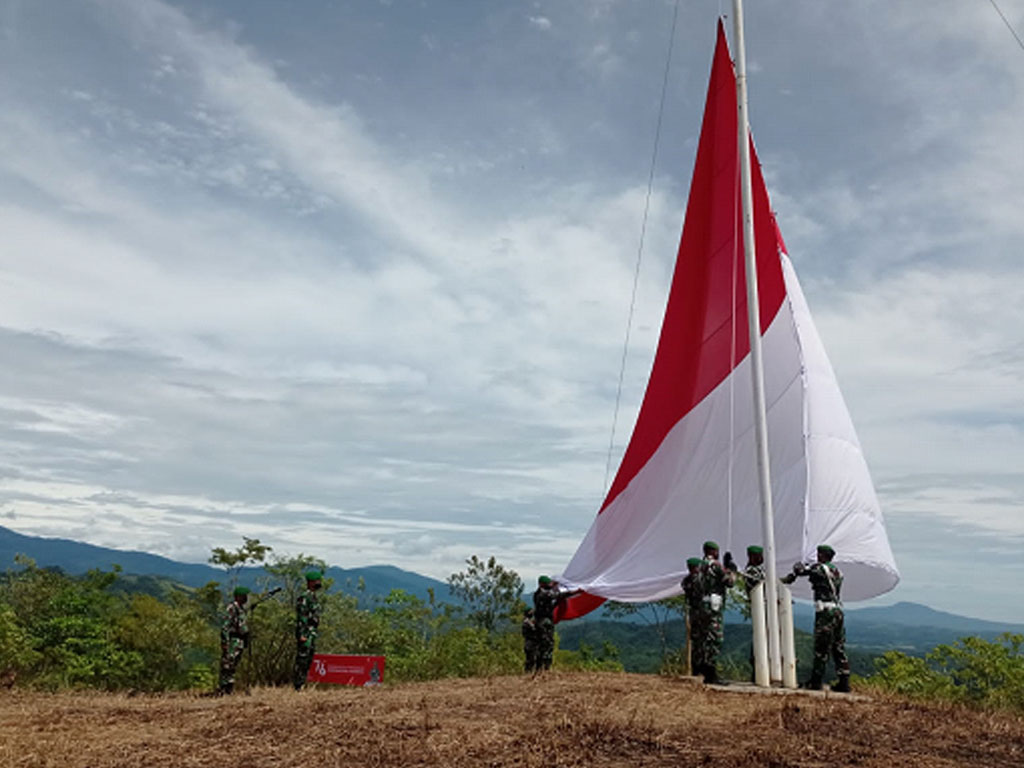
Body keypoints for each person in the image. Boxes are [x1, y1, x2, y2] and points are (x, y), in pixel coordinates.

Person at [782, 544, 850, 692]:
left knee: (821, 647)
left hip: (825, 612)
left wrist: (798, 567)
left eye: (819, 554)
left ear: (822, 555)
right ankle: (844, 681)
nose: (817, 557)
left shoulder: (820, 569)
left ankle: (816, 681)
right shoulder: (837, 571)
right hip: (838, 611)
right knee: (838, 647)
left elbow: (801, 571)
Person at [696, 540, 735, 684]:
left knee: (705, 637)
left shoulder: (700, 565)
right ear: (712, 551)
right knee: (715, 638)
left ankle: (704, 668)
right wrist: (731, 569)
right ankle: (710, 672)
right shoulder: (715, 565)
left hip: (703, 605)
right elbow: (730, 582)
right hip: (714, 605)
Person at [531, 576, 579, 672]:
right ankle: (544, 668)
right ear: (542, 584)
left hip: (542, 621)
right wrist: (577, 591)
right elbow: (560, 595)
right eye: (548, 584)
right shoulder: (544, 594)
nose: (550, 585)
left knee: (543, 644)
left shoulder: (539, 594)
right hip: (544, 622)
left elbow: (553, 602)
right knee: (547, 644)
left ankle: (540, 668)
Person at [293, 569, 323, 690]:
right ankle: (298, 685)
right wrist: (301, 635)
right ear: (310, 582)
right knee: (302, 659)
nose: (319, 583)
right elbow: (302, 617)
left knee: (308, 659)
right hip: (305, 633)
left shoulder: (313, 597)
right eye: (317, 581)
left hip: (312, 632)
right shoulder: (305, 597)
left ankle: (302, 683)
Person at [218, 586, 250, 695]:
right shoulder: (232, 608)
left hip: (239, 642)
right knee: (227, 665)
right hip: (232, 641)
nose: (246, 598)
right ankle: (223, 688)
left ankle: (229, 689)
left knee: (233, 665)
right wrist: (225, 642)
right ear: (238, 597)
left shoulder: (241, 609)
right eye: (243, 596)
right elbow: (225, 627)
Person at [740, 545, 765, 681]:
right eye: (759, 556)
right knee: (759, 639)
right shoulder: (751, 572)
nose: (762, 558)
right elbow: (762, 585)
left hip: (764, 608)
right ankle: (757, 670)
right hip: (759, 608)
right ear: (752, 557)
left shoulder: (759, 570)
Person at [681, 557, 705, 677]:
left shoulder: (686, 581)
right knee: (704, 641)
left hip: (693, 613)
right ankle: (702, 669)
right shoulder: (699, 580)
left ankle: (696, 670)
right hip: (702, 612)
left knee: (696, 642)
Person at [521, 607, 539, 673]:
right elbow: (533, 630)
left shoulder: (528, 622)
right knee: (530, 659)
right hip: (530, 643)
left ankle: (529, 671)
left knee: (531, 658)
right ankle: (528, 672)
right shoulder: (527, 623)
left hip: (530, 642)